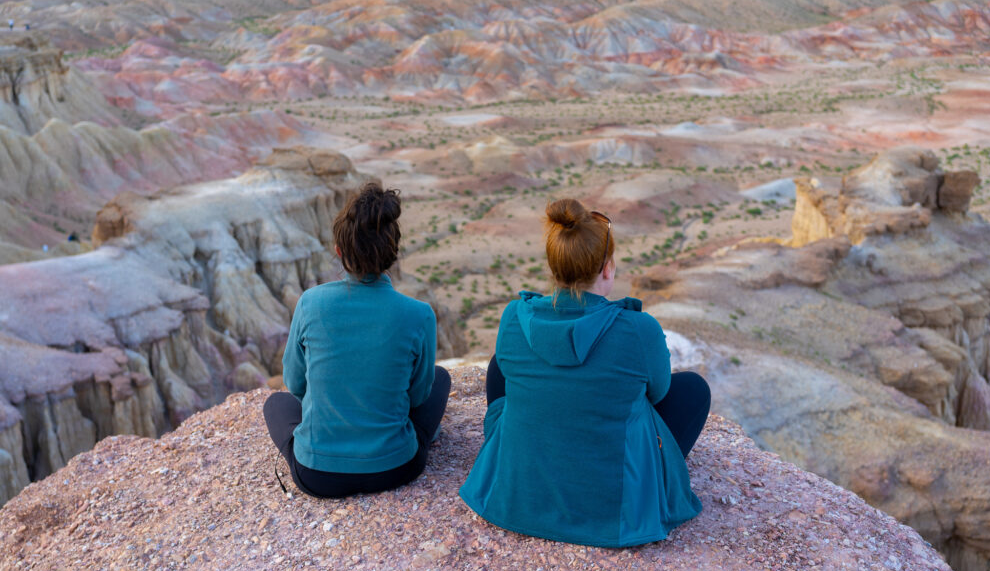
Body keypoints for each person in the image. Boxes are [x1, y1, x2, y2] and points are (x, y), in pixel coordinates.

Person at [460, 198, 710, 547]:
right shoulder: (639, 329)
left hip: (516, 498)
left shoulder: (514, 318)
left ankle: (522, 457)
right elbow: (659, 392)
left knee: (500, 367)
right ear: (607, 269)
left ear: (553, 267)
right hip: (613, 504)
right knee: (693, 390)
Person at [263, 182, 450, 498]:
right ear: (393, 253)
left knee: (276, 404)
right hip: (397, 468)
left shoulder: (310, 303)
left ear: (339, 251)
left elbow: (294, 385)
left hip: (317, 476)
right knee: (440, 379)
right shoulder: (419, 314)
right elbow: (417, 398)